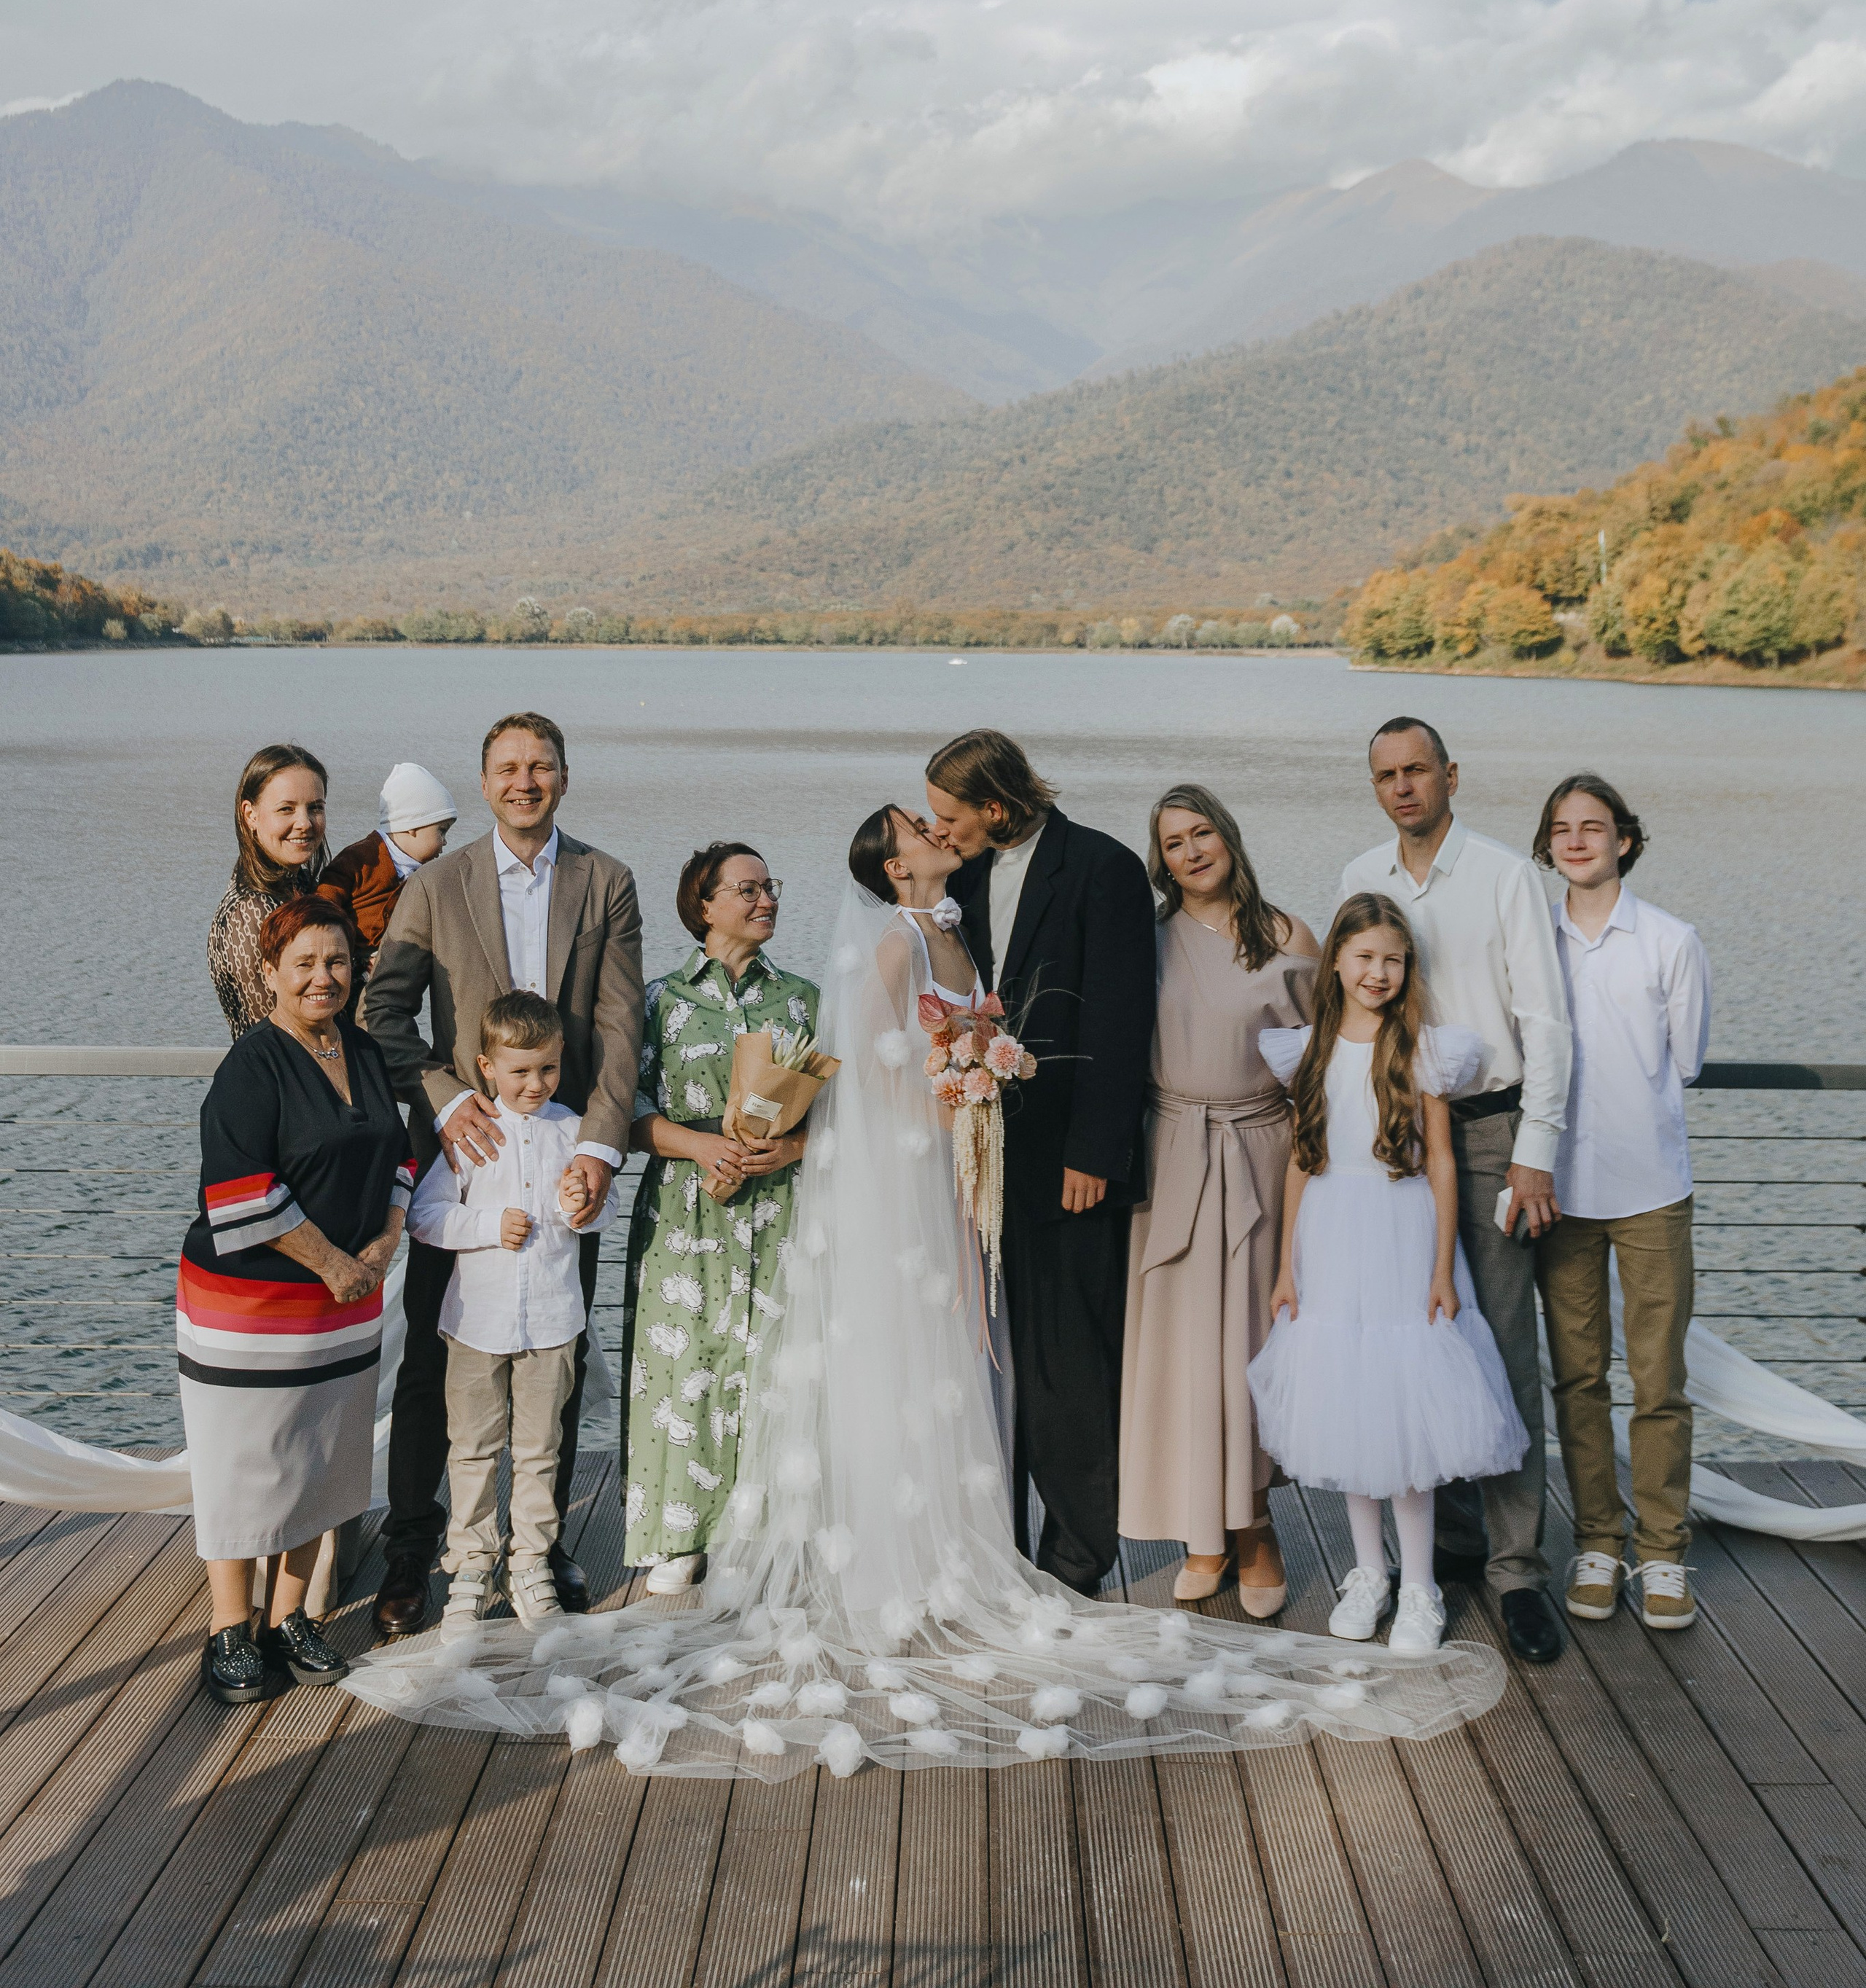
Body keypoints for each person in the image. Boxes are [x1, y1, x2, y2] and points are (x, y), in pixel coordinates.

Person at [346, 841, 1510, 1765]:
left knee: (957, 1352)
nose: (934, 837)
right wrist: (939, 1081)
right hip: (851, 1183)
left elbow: (898, 1055)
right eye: (916, 833)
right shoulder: (888, 943)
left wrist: (973, 1071)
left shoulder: (940, 936)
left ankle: (954, 1540)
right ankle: (720, 1550)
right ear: (892, 867)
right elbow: (869, 1062)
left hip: (947, 1173)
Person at [364, 711, 644, 1638]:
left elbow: (617, 1032)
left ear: (564, 776)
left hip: (566, 1167)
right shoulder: (440, 884)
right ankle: (416, 1550)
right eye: (507, 768)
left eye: (541, 766)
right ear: (483, 781)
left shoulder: (606, 881)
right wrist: (446, 1101)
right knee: (430, 1367)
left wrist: (600, 1152)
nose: (524, 782)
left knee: (551, 1363)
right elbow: (385, 1014)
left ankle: (542, 1546)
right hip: (466, 1157)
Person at [1340, 718, 1572, 1665]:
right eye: (1387, 775)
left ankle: (1517, 1571)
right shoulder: (1363, 874)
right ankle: (1446, 1551)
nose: (1404, 787)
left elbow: (1547, 1020)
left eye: (1418, 771)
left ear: (1451, 776)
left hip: (1487, 1135)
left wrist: (1537, 1151)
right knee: (1410, 1348)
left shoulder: (1507, 876)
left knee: (1503, 1348)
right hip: (1390, 1143)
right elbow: (1343, 1007)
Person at [1250, 895, 1529, 1659]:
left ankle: (1419, 1586)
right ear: (1336, 958)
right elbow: (1304, 1162)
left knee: (1401, 1411)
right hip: (1330, 1240)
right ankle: (1367, 1572)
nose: (1378, 972)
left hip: (1403, 1238)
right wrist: (1284, 1267)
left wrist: (1442, 1267)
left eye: (1393, 959)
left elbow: (1440, 1160)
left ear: (1407, 969)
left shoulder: (1421, 1049)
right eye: (1365, 956)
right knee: (1348, 1408)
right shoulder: (1307, 1050)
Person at [929, 730, 1158, 1597]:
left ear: (996, 805)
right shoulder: (963, 878)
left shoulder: (1102, 866)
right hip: (981, 1158)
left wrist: (1095, 1152)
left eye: (950, 814)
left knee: (1070, 1359)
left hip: (1069, 1162)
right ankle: (1001, 1541)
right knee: (994, 1360)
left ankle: (1076, 1555)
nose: (938, 829)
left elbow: (1120, 1016)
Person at [181, 894, 413, 1705]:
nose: (324, 976)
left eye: (338, 960)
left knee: (325, 1453)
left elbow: (398, 1152)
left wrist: (383, 1245)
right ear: (270, 972)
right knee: (245, 1464)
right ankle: (228, 1629)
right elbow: (239, 1188)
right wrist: (331, 1262)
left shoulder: (365, 1050)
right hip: (247, 1303)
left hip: (347, 1294)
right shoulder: (252, 1064)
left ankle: (289, 1620)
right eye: (305, 962)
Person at [1121, 786, 1319, 1611]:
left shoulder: (1288, 936)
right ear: (1160, 860)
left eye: (1202, 831)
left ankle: (1255, 1525)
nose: (1192, 850)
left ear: (1228, 836)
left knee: (1248, 1349)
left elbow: (1318, 1074)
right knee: (1180, 1354)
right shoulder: (1147, 942)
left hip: (1261, 1154)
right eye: (1173, 842)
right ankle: (1201, 1531)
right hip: (1168, 1154)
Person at [1533, 773, 1710, 1632]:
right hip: (1560, 1193)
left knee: (1657, 1380)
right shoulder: (1533, 943)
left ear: (1623, 841)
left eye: (1592, 827)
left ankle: (1664, 1551)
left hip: (1651, 1191)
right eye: (1561, 828)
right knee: (1575, 1376)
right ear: (1548, 846)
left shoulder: (1672, 941)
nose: (1576, 840)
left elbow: (1686, 1060)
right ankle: (1597, 1541)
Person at [622, 842, 819, 1594]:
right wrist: (699, 1143)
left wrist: (793, 1146)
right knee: (686, 1364)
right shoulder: (659, 1001)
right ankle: (682, 1536)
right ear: (705, 904)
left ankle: (770, 1529)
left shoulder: (801, 998)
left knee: (775, 1363)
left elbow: (838, 1112)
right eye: (749, 888)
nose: (766, 898)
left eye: (772, 885)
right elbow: (630, 1111)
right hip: (686, 1209)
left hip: (778, 1209)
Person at [408, 990, 621, 1631]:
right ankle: (471, 1564)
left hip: (554, 1320)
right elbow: (425, 1215)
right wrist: (485, 1224)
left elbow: (599, 1213)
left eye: (548, 1069)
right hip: (477, 1321)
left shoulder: (573, 1129)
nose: (536, 1083)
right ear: (487, 1066)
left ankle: (530, 1562)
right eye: (521, 1070)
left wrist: (583, 1203)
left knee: (540, 1448)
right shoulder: (474, 1134)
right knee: (472, 1447)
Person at [208, 745, 329, 1036]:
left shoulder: (297, 885)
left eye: (315, 807)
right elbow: (276, 1038)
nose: (304, 823)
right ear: (250, 814)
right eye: (286, 809)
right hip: (282, 1079)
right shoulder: (249, 912)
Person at [319, 762, 458, 971]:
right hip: (345, 958)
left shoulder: (423, 875)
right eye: (442, 831)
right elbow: (325, 903)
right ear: (412, 826)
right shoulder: (362, 858)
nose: (445, 842)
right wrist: (345, 950)